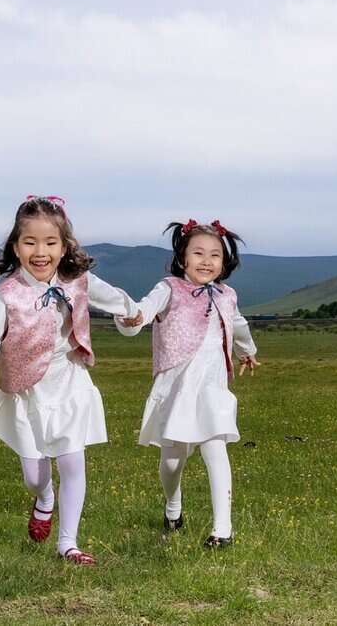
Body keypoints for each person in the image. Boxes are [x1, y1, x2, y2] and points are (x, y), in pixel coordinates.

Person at [0, 196, 142, 565]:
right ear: (16, 247)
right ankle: (44, 498)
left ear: (64, 247)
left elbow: (116, 300)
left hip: (69, 383)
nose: (41, 251)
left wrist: (132, 315)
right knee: (35, 474)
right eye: (30, 242)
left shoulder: (78, 280)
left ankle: (69, 543)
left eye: (50, 243)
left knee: (72, 461)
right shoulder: (5, 297)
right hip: (25, 392)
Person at [116, 219, 260, 548]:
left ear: (224, 263)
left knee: (215, 446)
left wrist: (247, 352)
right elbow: (145, 310)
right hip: (176, 388)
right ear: (183, 257)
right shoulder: (169, 288)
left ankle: (222, 530)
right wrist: (131, 317)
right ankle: (173, 506)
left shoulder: (227, 295)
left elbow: (238, 325)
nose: (206, 261)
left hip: (212, 387)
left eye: (214, 255)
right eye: (198, 253)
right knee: (171, 462)